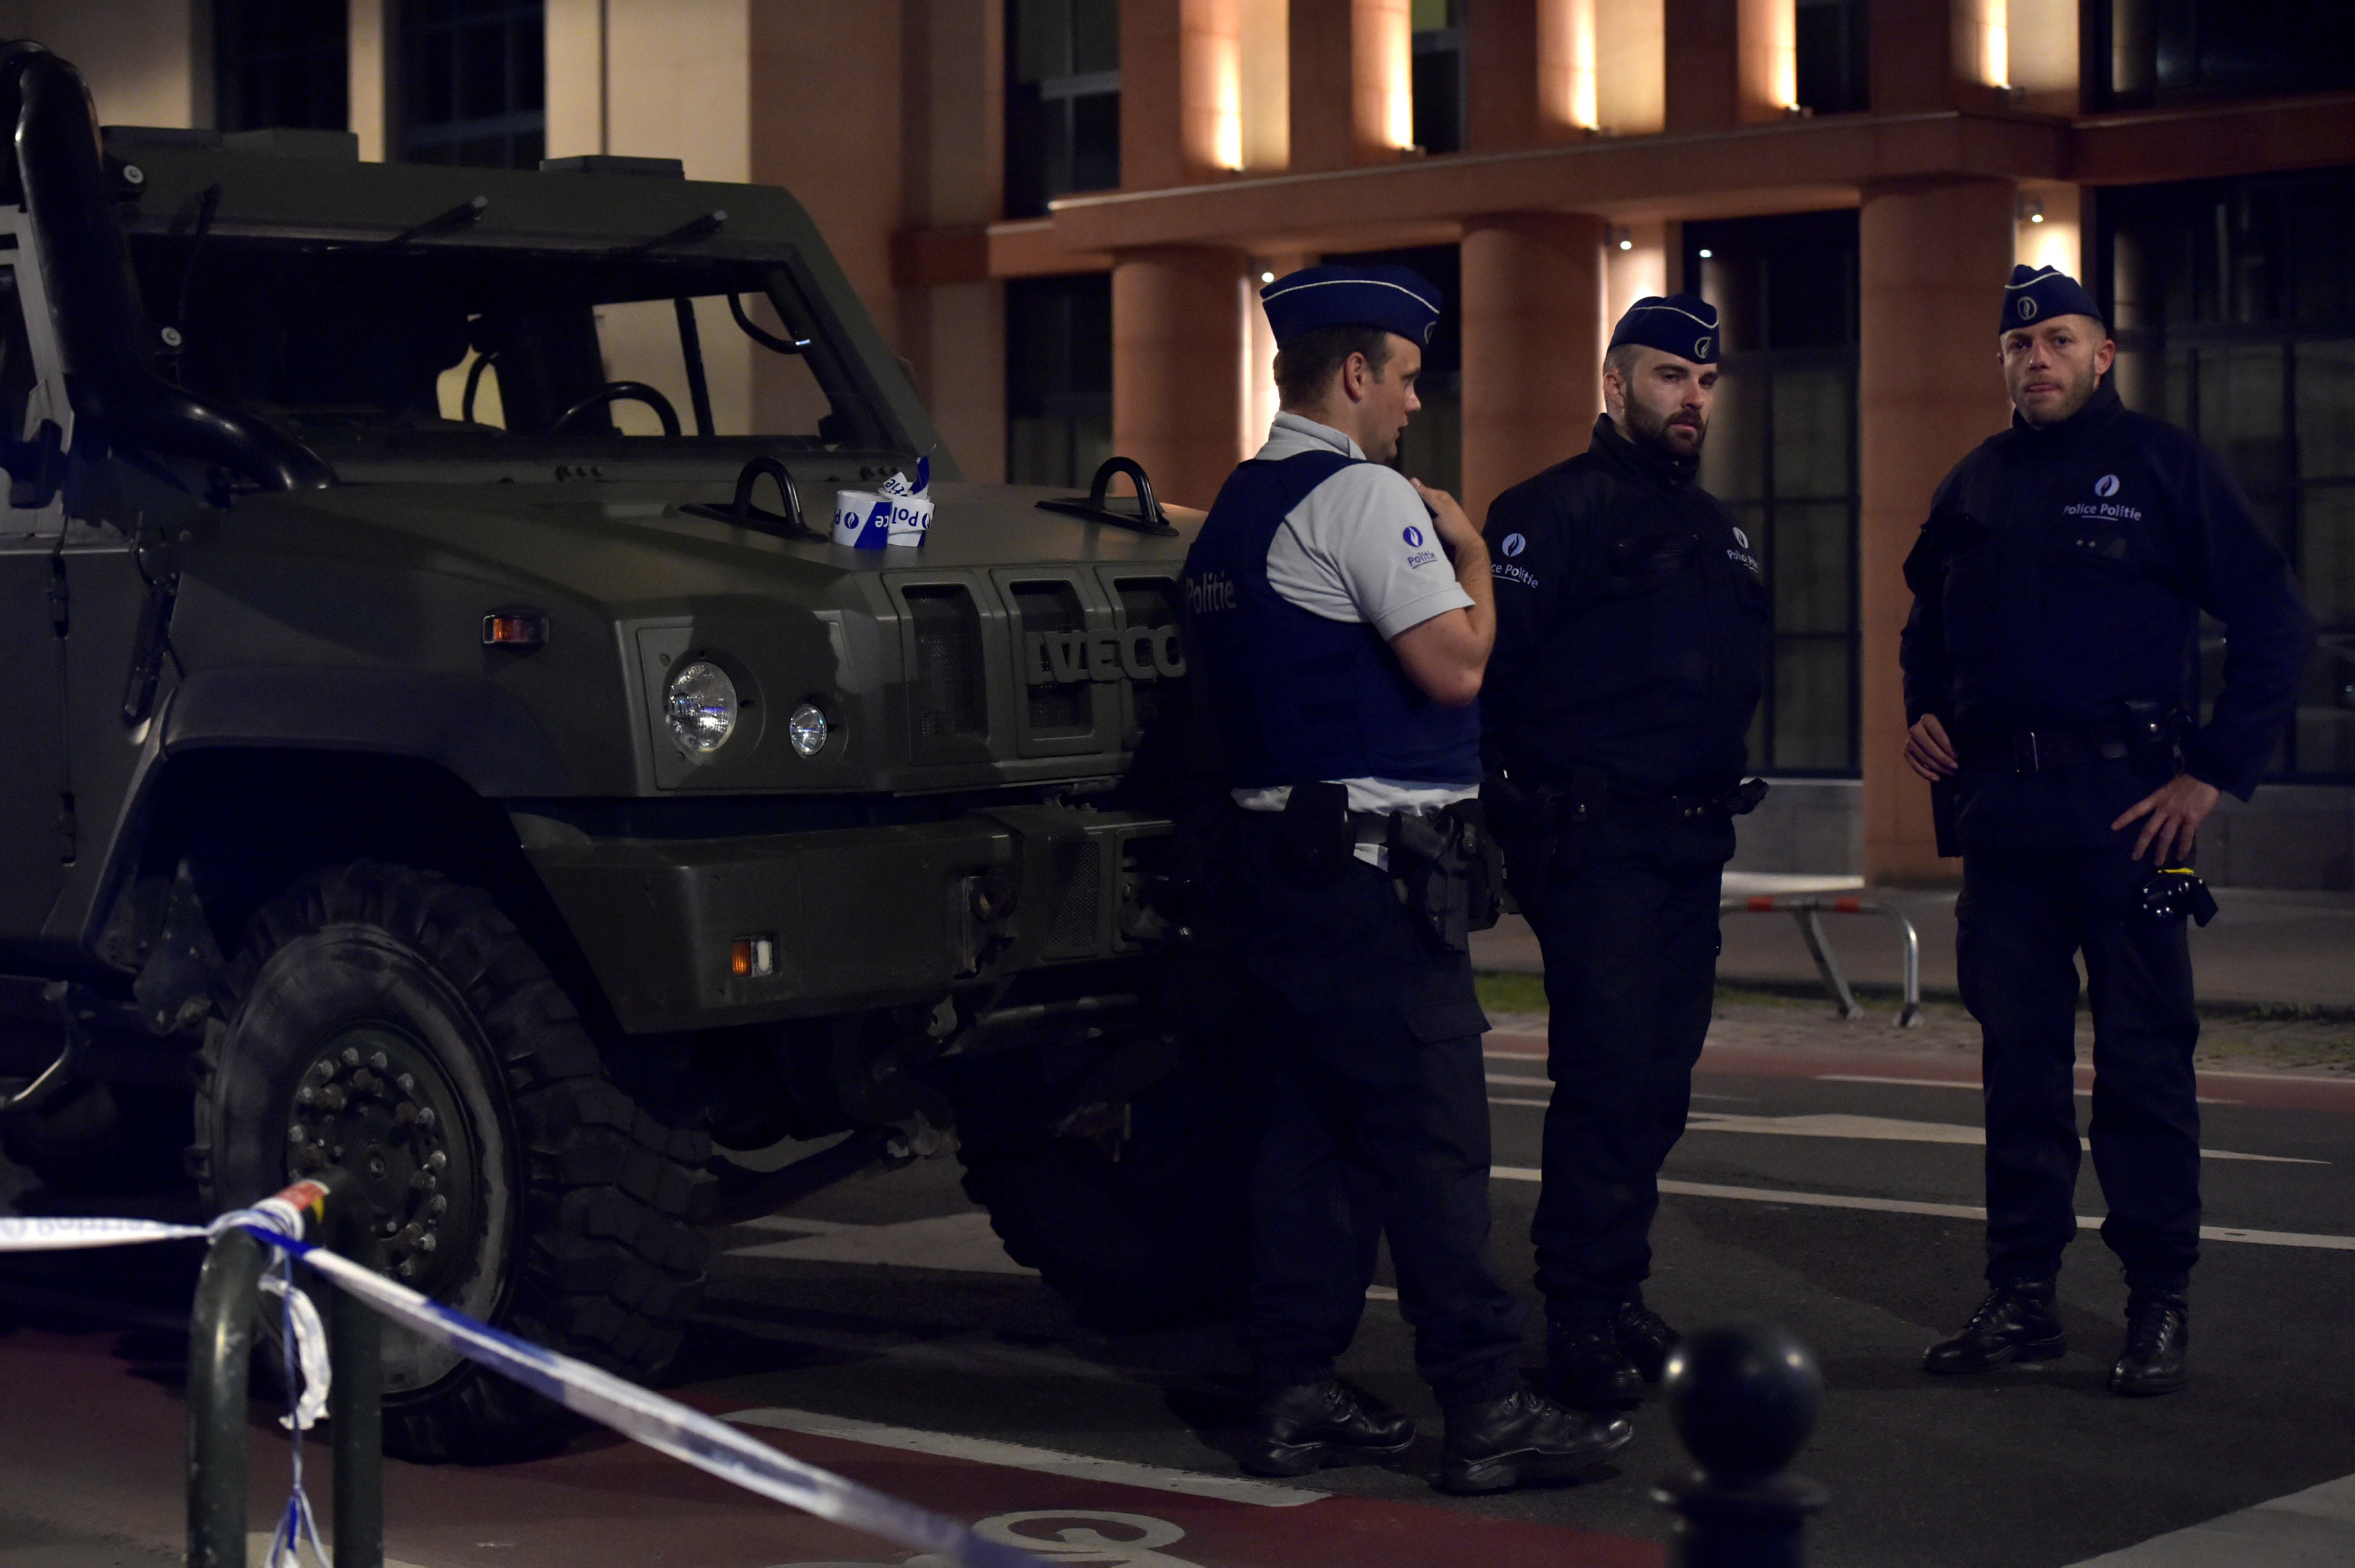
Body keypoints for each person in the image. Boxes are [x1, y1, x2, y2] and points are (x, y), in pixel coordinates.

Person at [1182, 264, 1632, 1495]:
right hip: (1372, 885)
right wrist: (1474, 552)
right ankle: (1484, 1408)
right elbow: (1457, 667)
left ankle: (1293, 1391)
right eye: (1408, 379)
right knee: (1434, 1147)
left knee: (1309, 1143)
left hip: (1281, 871)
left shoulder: (1238, 504)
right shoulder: (1360, 495)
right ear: (1357, 373)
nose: (1413, 408)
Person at [1902, 264, 2315, 1396]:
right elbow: (1921, 630)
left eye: (2061, 341)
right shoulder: (1971, 485)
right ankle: (2022, 1300)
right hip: (2005, 826)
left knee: (2144, 1064)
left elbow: (2278, 621)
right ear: (2001, 362)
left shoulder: (2164, 469)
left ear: (2103, 357)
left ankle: (2156, 1304)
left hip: (2137, 825)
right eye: (2019, 345)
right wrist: (1923, 714)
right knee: (2017, 1070)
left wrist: (2211, 776)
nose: (2038, 359)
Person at [1477, 295, 1769, 1407]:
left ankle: (1616, 1286)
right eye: (1666, 377)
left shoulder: (1719, 531)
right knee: (1604, 1080)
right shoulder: (1548, 513)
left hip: (1690, 843)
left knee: (1658, 1082)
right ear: (1614, 384)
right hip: (1593, 843)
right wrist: (1519, 827)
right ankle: (1579, 1314)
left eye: (1703, 382)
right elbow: (1494, 688)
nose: (1691, 399)